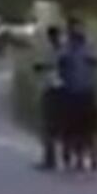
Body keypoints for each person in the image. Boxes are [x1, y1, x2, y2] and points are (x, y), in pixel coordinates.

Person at [57, 16, 97, 171]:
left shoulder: (89, 46)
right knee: (73, 128)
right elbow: (60, 65)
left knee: (90, 128)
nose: (77, 31)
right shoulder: (66, 48)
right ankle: (77, 157)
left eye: (79, 27)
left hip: (86, 91)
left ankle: (94, 156)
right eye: (74, 28)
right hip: (71, 92)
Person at [33, 24, 66, 171]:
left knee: (48, 125)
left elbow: (47, 67)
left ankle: (50, 159)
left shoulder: (56, 52)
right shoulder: (63, 50)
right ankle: (57, 156)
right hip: (63, 90)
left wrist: (42, 67)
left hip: (54, 90)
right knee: (56, 125)